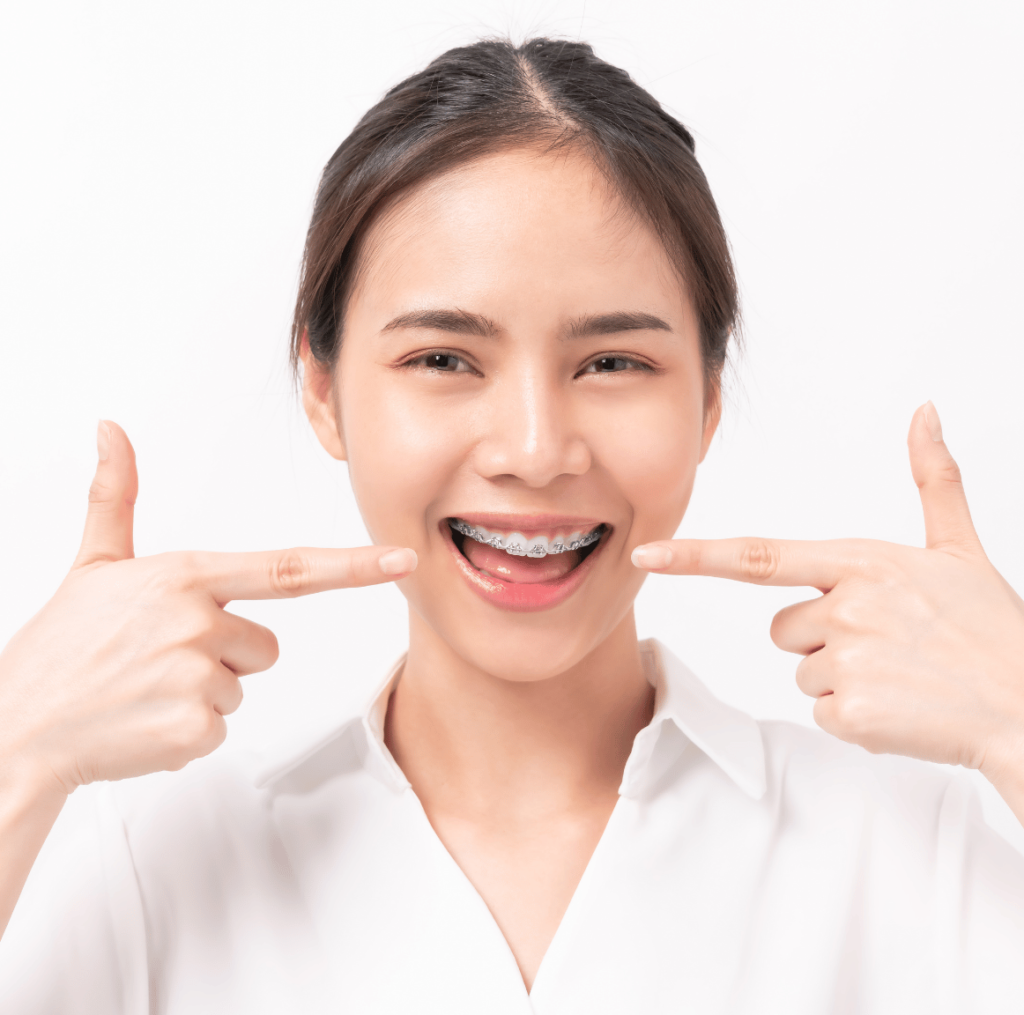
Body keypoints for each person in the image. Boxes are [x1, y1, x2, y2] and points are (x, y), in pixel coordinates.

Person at [1, 36, 1023, 1014]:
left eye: (613, 363)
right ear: (320, 388)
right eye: (443, 359)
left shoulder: (916, 848)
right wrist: (19, 738)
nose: (535, 450)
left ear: (708, 399)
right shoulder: (142, 867)